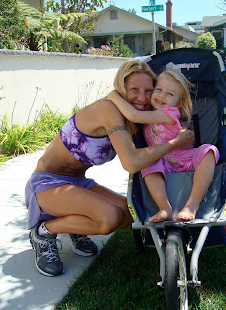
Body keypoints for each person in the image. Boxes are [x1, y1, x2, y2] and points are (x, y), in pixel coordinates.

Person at [25, 60, 194, 277]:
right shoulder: (107, 108)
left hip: (78, 182)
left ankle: (73, 226)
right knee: (110, 217)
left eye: (148, 91)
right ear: (121, 88)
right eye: (134, 90)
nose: (142, 98)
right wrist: (173, 144)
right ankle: (44, 233)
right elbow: (131, 162)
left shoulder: (133, 115)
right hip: (48, 183)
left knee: (129, 214)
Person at [107, 69, 220, 223]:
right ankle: (165, 208)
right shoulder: (149, 112)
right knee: (148, 161)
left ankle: (192, 205)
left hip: (183, 158)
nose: (161, 96)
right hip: (162, 162)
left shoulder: (168, 113)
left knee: (209, 151)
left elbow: (133, 115)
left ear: (179, 103)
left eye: (170, 94)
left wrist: (113, 95)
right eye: (158, 90)